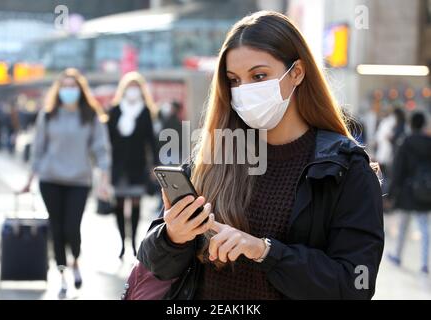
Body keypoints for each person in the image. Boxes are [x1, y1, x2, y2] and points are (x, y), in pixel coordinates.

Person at [138, 11, 384, 300]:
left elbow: (355, 284)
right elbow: (153, 263)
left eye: (259, 76)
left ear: (297, 72)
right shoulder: (213, 157)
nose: (244, 91)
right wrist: (173, 236)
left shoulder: (344, 169)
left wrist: (264, 250)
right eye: (234, 80)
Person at [22, 68, 111, 299]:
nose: (68, 90)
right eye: (65, 86)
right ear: (58, 89)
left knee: (72, 227)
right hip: (50, 180)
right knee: (57, 229)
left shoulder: (90, 115)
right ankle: (61, 273)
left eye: (73, 86)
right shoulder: (48, 114)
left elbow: (101, 150)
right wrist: (29, 179)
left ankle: (76, 261)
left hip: (79, 181)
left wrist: (104, 180)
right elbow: (38, 150)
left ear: (80, 89)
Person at [107, 72, 158, 259]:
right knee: (119, 205)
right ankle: (122, 243)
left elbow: (151, 141)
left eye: (136, 88)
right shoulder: (115, 111)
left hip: (137, 166)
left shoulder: (145, 112)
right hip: (118, 166)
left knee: (136, 205)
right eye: (130, 87)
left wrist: (154, 165)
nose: (133, 91)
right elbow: (107, 139)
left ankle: (134, 242)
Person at [388, 111, 431, 274]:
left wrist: (391, 193)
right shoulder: (429, 141)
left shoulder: (406, 142)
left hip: (407, 190)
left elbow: (398, 170)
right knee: (425, 227)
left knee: (403, 225)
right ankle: (424, 263)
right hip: (426, 190)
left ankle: (397, 256)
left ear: (411, 124)